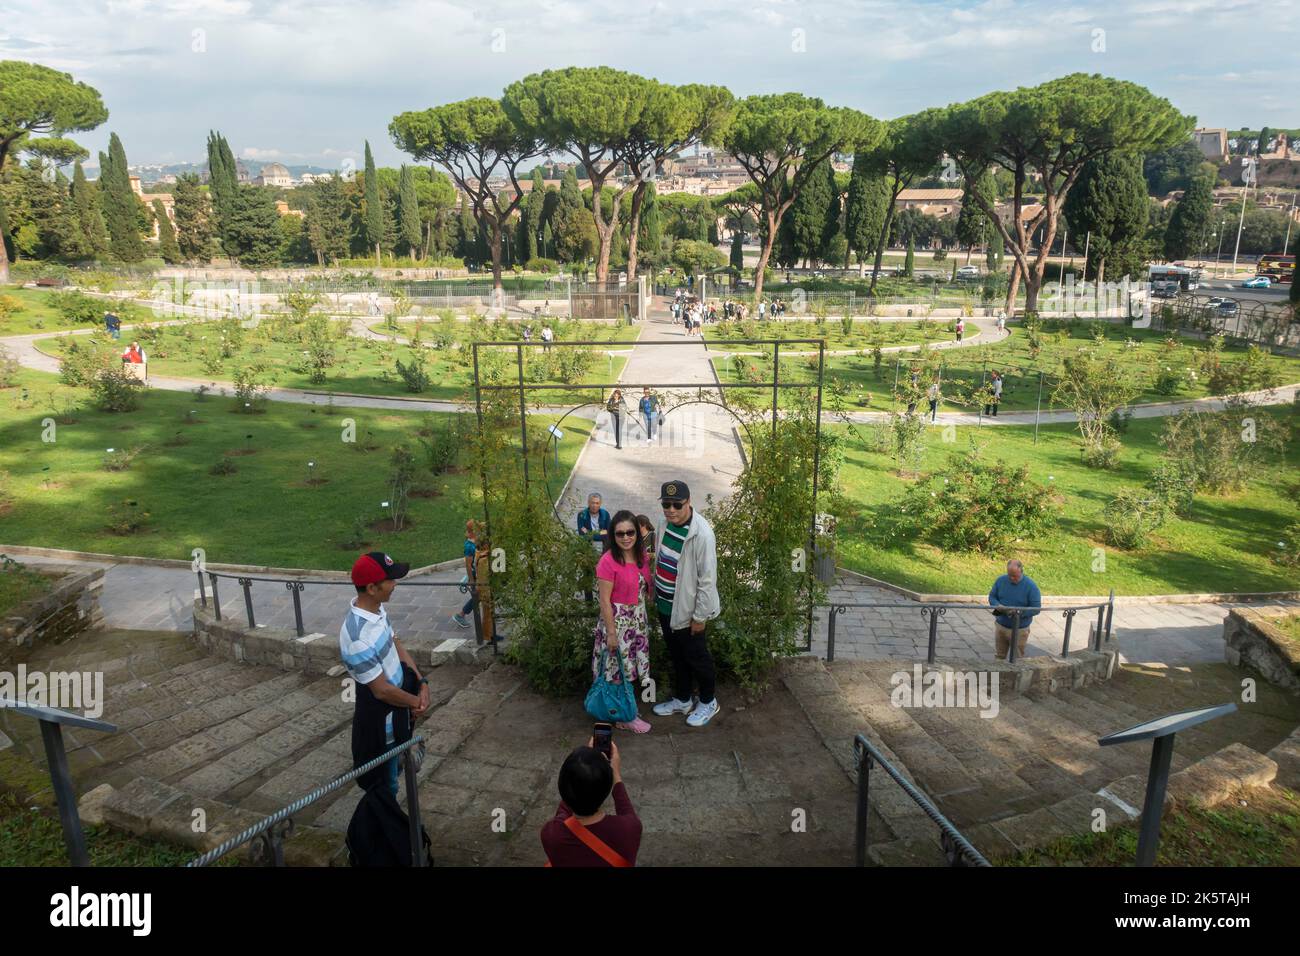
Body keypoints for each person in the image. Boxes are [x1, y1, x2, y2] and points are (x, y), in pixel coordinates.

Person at [340, 552, 430, 797]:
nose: (395, 584)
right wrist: (416, 702)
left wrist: (421, 682)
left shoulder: (377, 611)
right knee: (386, 786)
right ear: (371, 587)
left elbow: (395, 642)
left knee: (395, 773)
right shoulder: (357, 637)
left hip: (398, 713)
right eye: (390, 580)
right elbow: (381, 690)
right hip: (381, 728)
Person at [650, 480, 722, 727]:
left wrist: (700, 617)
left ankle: (708, 700)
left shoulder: (701, 534)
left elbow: (707, 580)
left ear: (688, 502)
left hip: (688, 611)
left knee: (697, 657)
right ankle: (682, 699)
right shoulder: (663, 524)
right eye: (666, 504)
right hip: (666, 607)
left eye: (677, 505)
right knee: (677, 656)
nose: (671, 510)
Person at [593, 511, 654, 733]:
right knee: (618, 669)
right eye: (620, 534)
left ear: (637, 533)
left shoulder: (641, 556)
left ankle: (623, 711)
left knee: (630, 668)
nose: (626, 537)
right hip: (618, 623)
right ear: (613, 535)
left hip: (637, 620)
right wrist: (611, 633)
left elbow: (644, 587)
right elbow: (604, 601)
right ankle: (625, 716)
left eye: (630, 532)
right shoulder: (608, 561)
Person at [541, 741, 641, 866]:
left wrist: (582, 770)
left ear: (562, 787)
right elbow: (626, 810)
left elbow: (564, 808)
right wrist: (615, 773)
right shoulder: (630, 829)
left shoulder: (552, 834)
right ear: (606, 787)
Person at [988, 559, 1042, 660]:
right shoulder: (1001, 581)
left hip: (1019, 630)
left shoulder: (1031, 586)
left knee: (1017, 658)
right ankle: (999, 674)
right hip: (1001, 626)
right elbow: (992, 597)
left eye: (1015, 576)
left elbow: (1036, 608)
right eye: (1010, 575)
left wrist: (1019, 613)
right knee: (999, 656)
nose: (1012, 578)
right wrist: (997, 605)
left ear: (1021, 571)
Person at [452, 519, 478, 629]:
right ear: (473, 531)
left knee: (485, 594)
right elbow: (468, 565)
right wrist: (471, 580)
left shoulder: (476, 540)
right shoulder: (469, 546)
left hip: (481, 571)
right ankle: (460, 615)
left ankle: (492, 614)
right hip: (475, 573)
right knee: (479, 596)